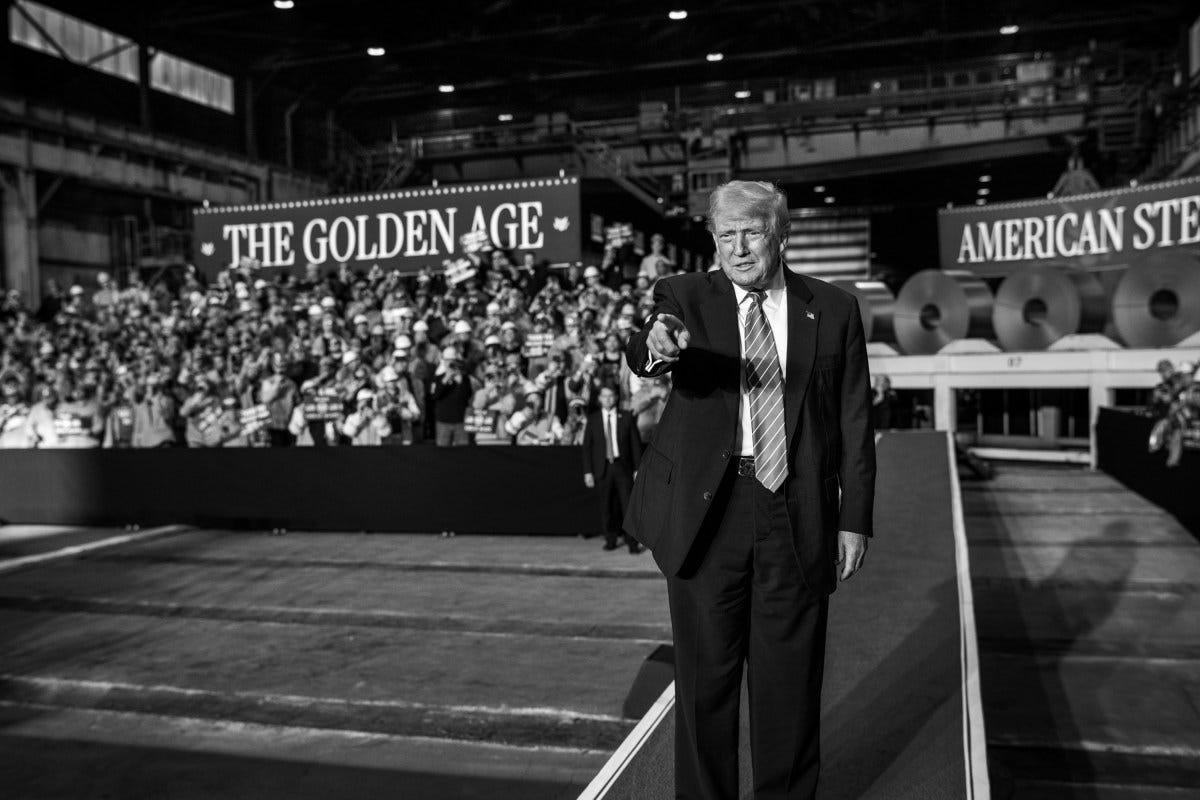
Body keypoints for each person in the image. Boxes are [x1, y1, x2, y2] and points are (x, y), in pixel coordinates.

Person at [624, 179, 875, 800]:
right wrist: (656, 346)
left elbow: (854, 421)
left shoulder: (836, 309)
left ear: (780, 235)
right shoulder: (684, 295)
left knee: (789, 685)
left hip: (797, 510)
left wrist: (855, 518)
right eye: (725, 235)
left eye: (752, 233)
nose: (737, 249)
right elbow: (648, 343)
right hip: (706, 519)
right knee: (704, 686)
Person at [581, 384, 643, 553]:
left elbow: (635, 445)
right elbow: (587, 447)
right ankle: (610, 539)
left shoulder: (627, 417)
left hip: (622, 467)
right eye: (604, 396)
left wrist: (637, 468)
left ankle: (632, 543)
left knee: (628, 506)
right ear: (599, 399)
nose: (608, 399)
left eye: (611, 396)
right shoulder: (593, 419)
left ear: (616, 398)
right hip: (603, 468)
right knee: (606, 506)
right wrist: (588, 471)